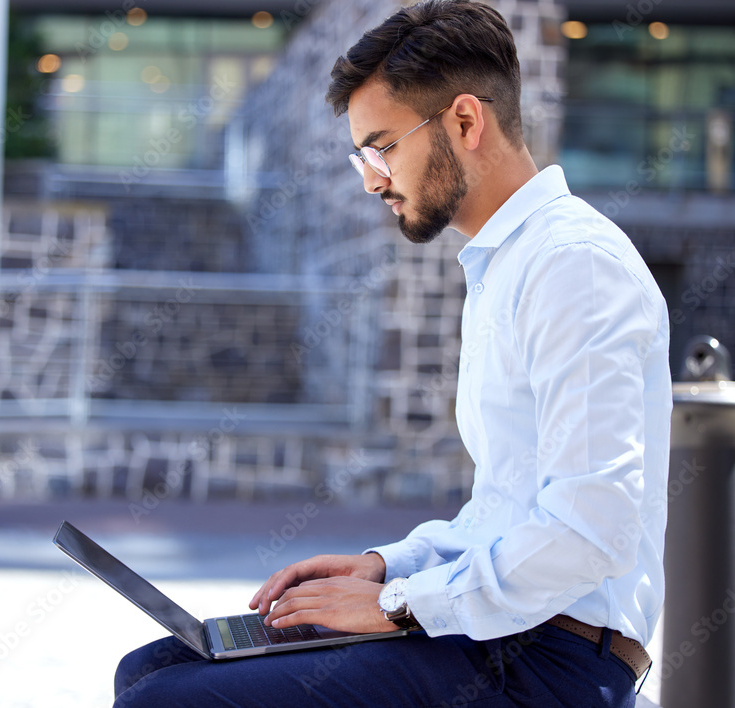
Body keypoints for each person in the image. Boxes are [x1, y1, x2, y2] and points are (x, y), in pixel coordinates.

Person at [113, 1, 671, 705]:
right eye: (360, 157)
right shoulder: (506, 262)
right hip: (506, 636)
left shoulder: (574, 267)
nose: (372, 180)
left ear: (466, 122)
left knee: (164, 700)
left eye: (381, 148)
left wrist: (397, 605)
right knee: (156, 666)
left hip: (551, 664)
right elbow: (504, 513)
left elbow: (592, 529)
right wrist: (385, 567)